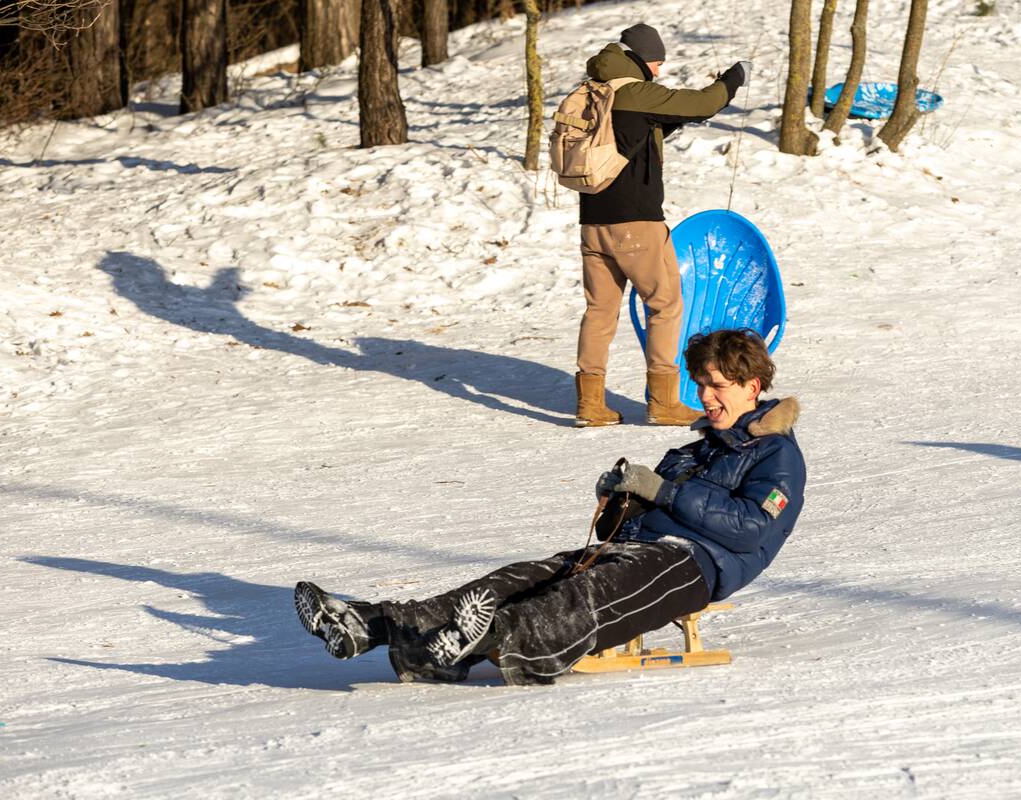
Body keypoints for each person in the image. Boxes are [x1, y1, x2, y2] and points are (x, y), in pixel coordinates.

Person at [295, 329, 805, 685]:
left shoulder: (776, 453)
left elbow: (751, 527)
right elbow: (641, 510)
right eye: (701, 384)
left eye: (717, 386)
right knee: (523, 576)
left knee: (584, 592)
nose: (705, 395)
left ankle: (482, 638)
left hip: (693, 564)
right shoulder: (695, 449)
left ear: (752, 387)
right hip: (636, 549)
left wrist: (662, 490)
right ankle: (372, 623)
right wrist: (617, 502)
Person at [573, 23, 752, 427]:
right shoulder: (635, 90)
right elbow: (705, 102)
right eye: (655, 62)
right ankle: (663, 402)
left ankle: (590, 404)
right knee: (665, 305)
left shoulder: (592, 93)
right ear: (639, 59)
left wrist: (667, 123)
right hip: (636, 223)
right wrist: (733, 78)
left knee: (599, 310)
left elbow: (624, 138)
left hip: (592, 221)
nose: (658, 71)